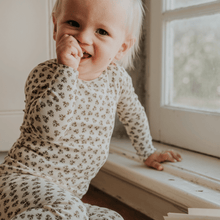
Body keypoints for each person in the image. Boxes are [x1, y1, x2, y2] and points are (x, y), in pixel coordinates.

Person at [0, 0, 182, 219]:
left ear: (121, 48)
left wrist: (148, 152)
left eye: (102, 31)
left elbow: (133, 115)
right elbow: (48, 130)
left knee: (112, 217)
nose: (83, 38)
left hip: (66, 199)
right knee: (70, 210)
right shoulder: (46, 75)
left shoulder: (116, 80)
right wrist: (66, 72)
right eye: (73, 23)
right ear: (56, 26)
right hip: (20, 181)